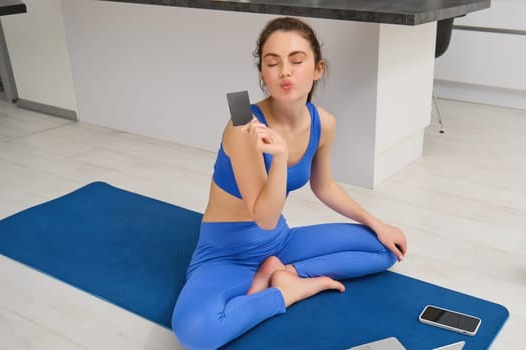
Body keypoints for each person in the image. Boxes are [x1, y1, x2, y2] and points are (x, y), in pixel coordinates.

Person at [171, 17, 408, 349]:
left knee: (385, 249)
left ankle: (285, 271)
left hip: (278, 244)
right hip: (225, 252)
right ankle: (285, 290)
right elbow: (263, 217)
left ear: (317, 69)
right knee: (195, 332)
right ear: (263, 75)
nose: (285, 71)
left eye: (297, 61)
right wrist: (279, 157)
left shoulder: (323, 123)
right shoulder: (244, 126)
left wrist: (376, 223)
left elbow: (324, 185)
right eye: (273, 63)